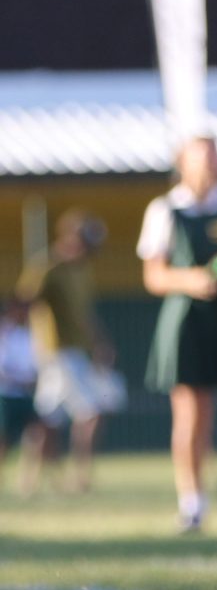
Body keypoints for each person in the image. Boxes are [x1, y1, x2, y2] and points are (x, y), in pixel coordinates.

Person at [137, 136, 217, 532]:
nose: (212, 164)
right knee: (191, 415)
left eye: (215, 157)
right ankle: (192, 501)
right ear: (183, 164)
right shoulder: (164, 209)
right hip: (187, 321)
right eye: (203, 158)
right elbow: (153, 275)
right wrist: (193, 279)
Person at [16, 210, 122, 493]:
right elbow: (25, 302)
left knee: (46, 418)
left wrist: (99, 341)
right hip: (57, 352)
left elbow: (84, 313)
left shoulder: (81, 270)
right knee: (90, 412)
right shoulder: (48, 267)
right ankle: (80, 477)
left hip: (75, 351)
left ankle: (28, 480)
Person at [0, 297, 43, 489]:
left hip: (26, 395)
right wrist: (21, 380)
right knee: (4, 440)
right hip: (6, 395)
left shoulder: (30, 333)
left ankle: (27, 480)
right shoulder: (4, 334)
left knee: (36, 434)